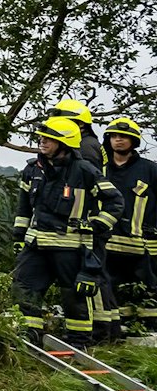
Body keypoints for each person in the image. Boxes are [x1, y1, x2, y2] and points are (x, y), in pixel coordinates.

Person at [13, 115, 124, 347]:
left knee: (75, 297)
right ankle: (30, 338)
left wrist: (97, 225)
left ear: (64, 144)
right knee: (24, 288)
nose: (42, 142)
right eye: (41, 138)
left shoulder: (84, 171)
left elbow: (115, 201)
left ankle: (79, 344)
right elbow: (24, 208)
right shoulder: (33, 170)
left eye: (48, 139)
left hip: (70, 248)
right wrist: (18, 237)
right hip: (36, 246)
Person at [97, 117, 157, 340]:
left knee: (147, 289)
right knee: (111, 288)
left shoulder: (150, 170)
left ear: (134, 141)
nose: (118, 140)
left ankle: (147, 331)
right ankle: (117, 333)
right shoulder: (99, 169)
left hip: (141, 245)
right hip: (106, 242)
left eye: (123, 137)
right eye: (113, 136)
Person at [47, 98, 105, 167]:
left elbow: (88, 176)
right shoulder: (76, 143)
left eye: (64, 122)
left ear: (81, 123)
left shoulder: (86, 147)